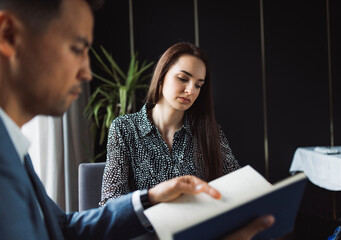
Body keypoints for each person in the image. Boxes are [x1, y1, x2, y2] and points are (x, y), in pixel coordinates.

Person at [0, 0, 274, 239]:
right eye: (76, 48)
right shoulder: (125, 128)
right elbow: (103, 206)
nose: (87, 73)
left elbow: (64, 228)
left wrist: (150, 197)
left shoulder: (16, 152)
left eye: (199, 84)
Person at [101, 42, 241, 206]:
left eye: (198, 85)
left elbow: (237, 184)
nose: (191, 90)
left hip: (199, 227)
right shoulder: (124, 128)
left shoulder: (210, 131)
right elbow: (110, 202)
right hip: (149, 229)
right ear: (161, 76)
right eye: (183, 78)